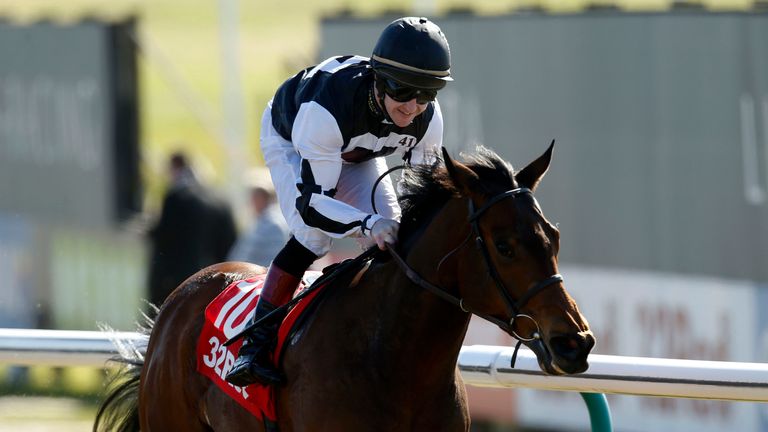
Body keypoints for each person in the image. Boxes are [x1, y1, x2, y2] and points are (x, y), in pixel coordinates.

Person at [225, 17, 452, 387]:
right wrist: (367, 223)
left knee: (395, 238)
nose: (412, 107)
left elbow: (423, 199)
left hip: (355, 152)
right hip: (294, 142)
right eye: (403, 90)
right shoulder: (325, 110)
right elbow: (313, 205)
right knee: (313, 237)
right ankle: (255, 343)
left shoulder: (428, 119)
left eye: (427, 94)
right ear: (379, 80)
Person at [147, 151, 237, 307]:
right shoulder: (221, 200)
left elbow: (165, 241)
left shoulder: (176, 198)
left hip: (182, 283)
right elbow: (230, 242)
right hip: (218, 282)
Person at [227, 167, 290, 266]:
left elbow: (269, 259)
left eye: (256, 195)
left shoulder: (271, 223)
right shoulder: (272, 218)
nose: (251, 201)